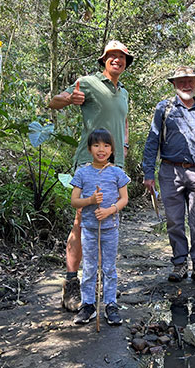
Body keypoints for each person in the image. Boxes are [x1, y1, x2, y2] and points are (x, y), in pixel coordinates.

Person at [49, 40, 133, 312]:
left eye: (121, 57)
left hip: (114, 166)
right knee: (81, 222)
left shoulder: (124, 93)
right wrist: (68, 99)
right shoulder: (87, 83)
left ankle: (100, 286)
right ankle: (72, 284)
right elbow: (55, 102)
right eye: (112, 56)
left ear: (125, 63)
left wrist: (125, 148)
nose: (117, 60)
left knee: (108, 221)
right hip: (89, 165)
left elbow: (124, 122)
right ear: (104, 60)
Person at [142, 67, 195, 287]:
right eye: (181, 82)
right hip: (170, 172)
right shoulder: (164, 108)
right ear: (174, 85)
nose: (186, 85)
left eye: (190, 81)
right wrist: (148, 172)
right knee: (175, 222)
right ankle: (179, 263)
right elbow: (152, 141)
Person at [70, 128, 130, 325]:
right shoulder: (82, 173)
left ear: (112, 149)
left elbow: (124, 199)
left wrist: (109, 210)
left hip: (110, 228)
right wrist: (90, 200)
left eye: (105, 145)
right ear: (89, 149)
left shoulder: (117, 172)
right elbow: (74, 201)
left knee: (109, 268)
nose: (101, 149)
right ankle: (88, 305)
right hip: (88, 227)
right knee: (88, 267)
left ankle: (110, 304)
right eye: (96, 145)